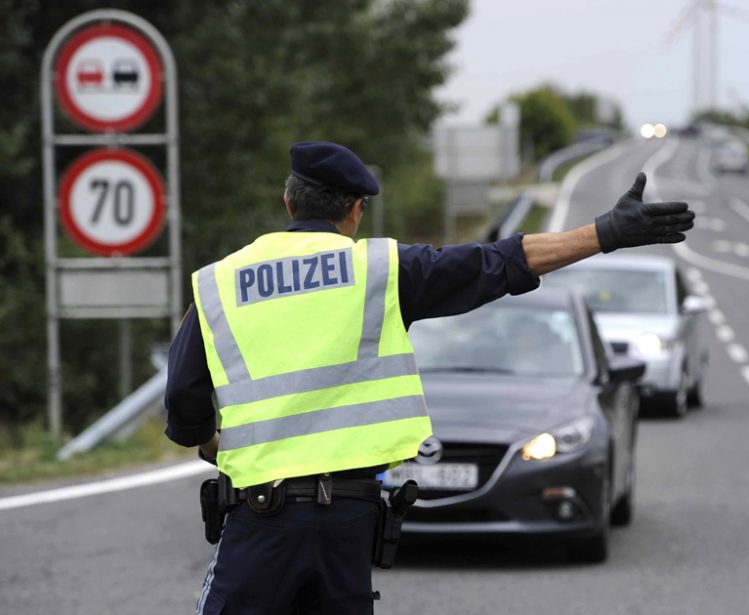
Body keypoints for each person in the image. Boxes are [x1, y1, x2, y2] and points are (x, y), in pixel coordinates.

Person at [165, 141, 694, 614]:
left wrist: (210, 442)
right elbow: (498, 262)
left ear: (288, 203)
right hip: (349, 521)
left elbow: (183, 401)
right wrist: (604, 233)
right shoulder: (382, 271)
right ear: (355, 210)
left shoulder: (220, 284)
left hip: (261, 516)